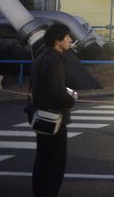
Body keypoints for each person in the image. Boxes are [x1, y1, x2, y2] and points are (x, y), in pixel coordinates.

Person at [31, 23, 76, 197]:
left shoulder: (41, 55)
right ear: (58, 40)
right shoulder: (54, 59)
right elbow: (56, 91)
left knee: (42, 160)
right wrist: (70, 100)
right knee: (55, 162)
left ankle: (40, 192)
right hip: (53, 118)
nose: (70, 40)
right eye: (67, 37)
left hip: (40, 115)